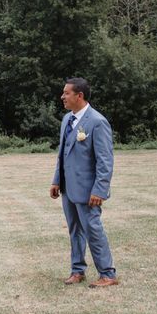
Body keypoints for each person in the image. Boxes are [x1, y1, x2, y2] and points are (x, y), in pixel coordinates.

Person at [50, 78, 119, 288]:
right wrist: (56, 180)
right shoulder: (66, 120)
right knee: (74, 230)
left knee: (93, 229)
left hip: (89, 191)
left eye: (66, 93)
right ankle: (77, 270)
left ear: (79, 95)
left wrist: (99, 189)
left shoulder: (97, 122)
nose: (62, 97)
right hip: (67, 188)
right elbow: (62, 155)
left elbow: (105, 161)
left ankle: (108, 274)